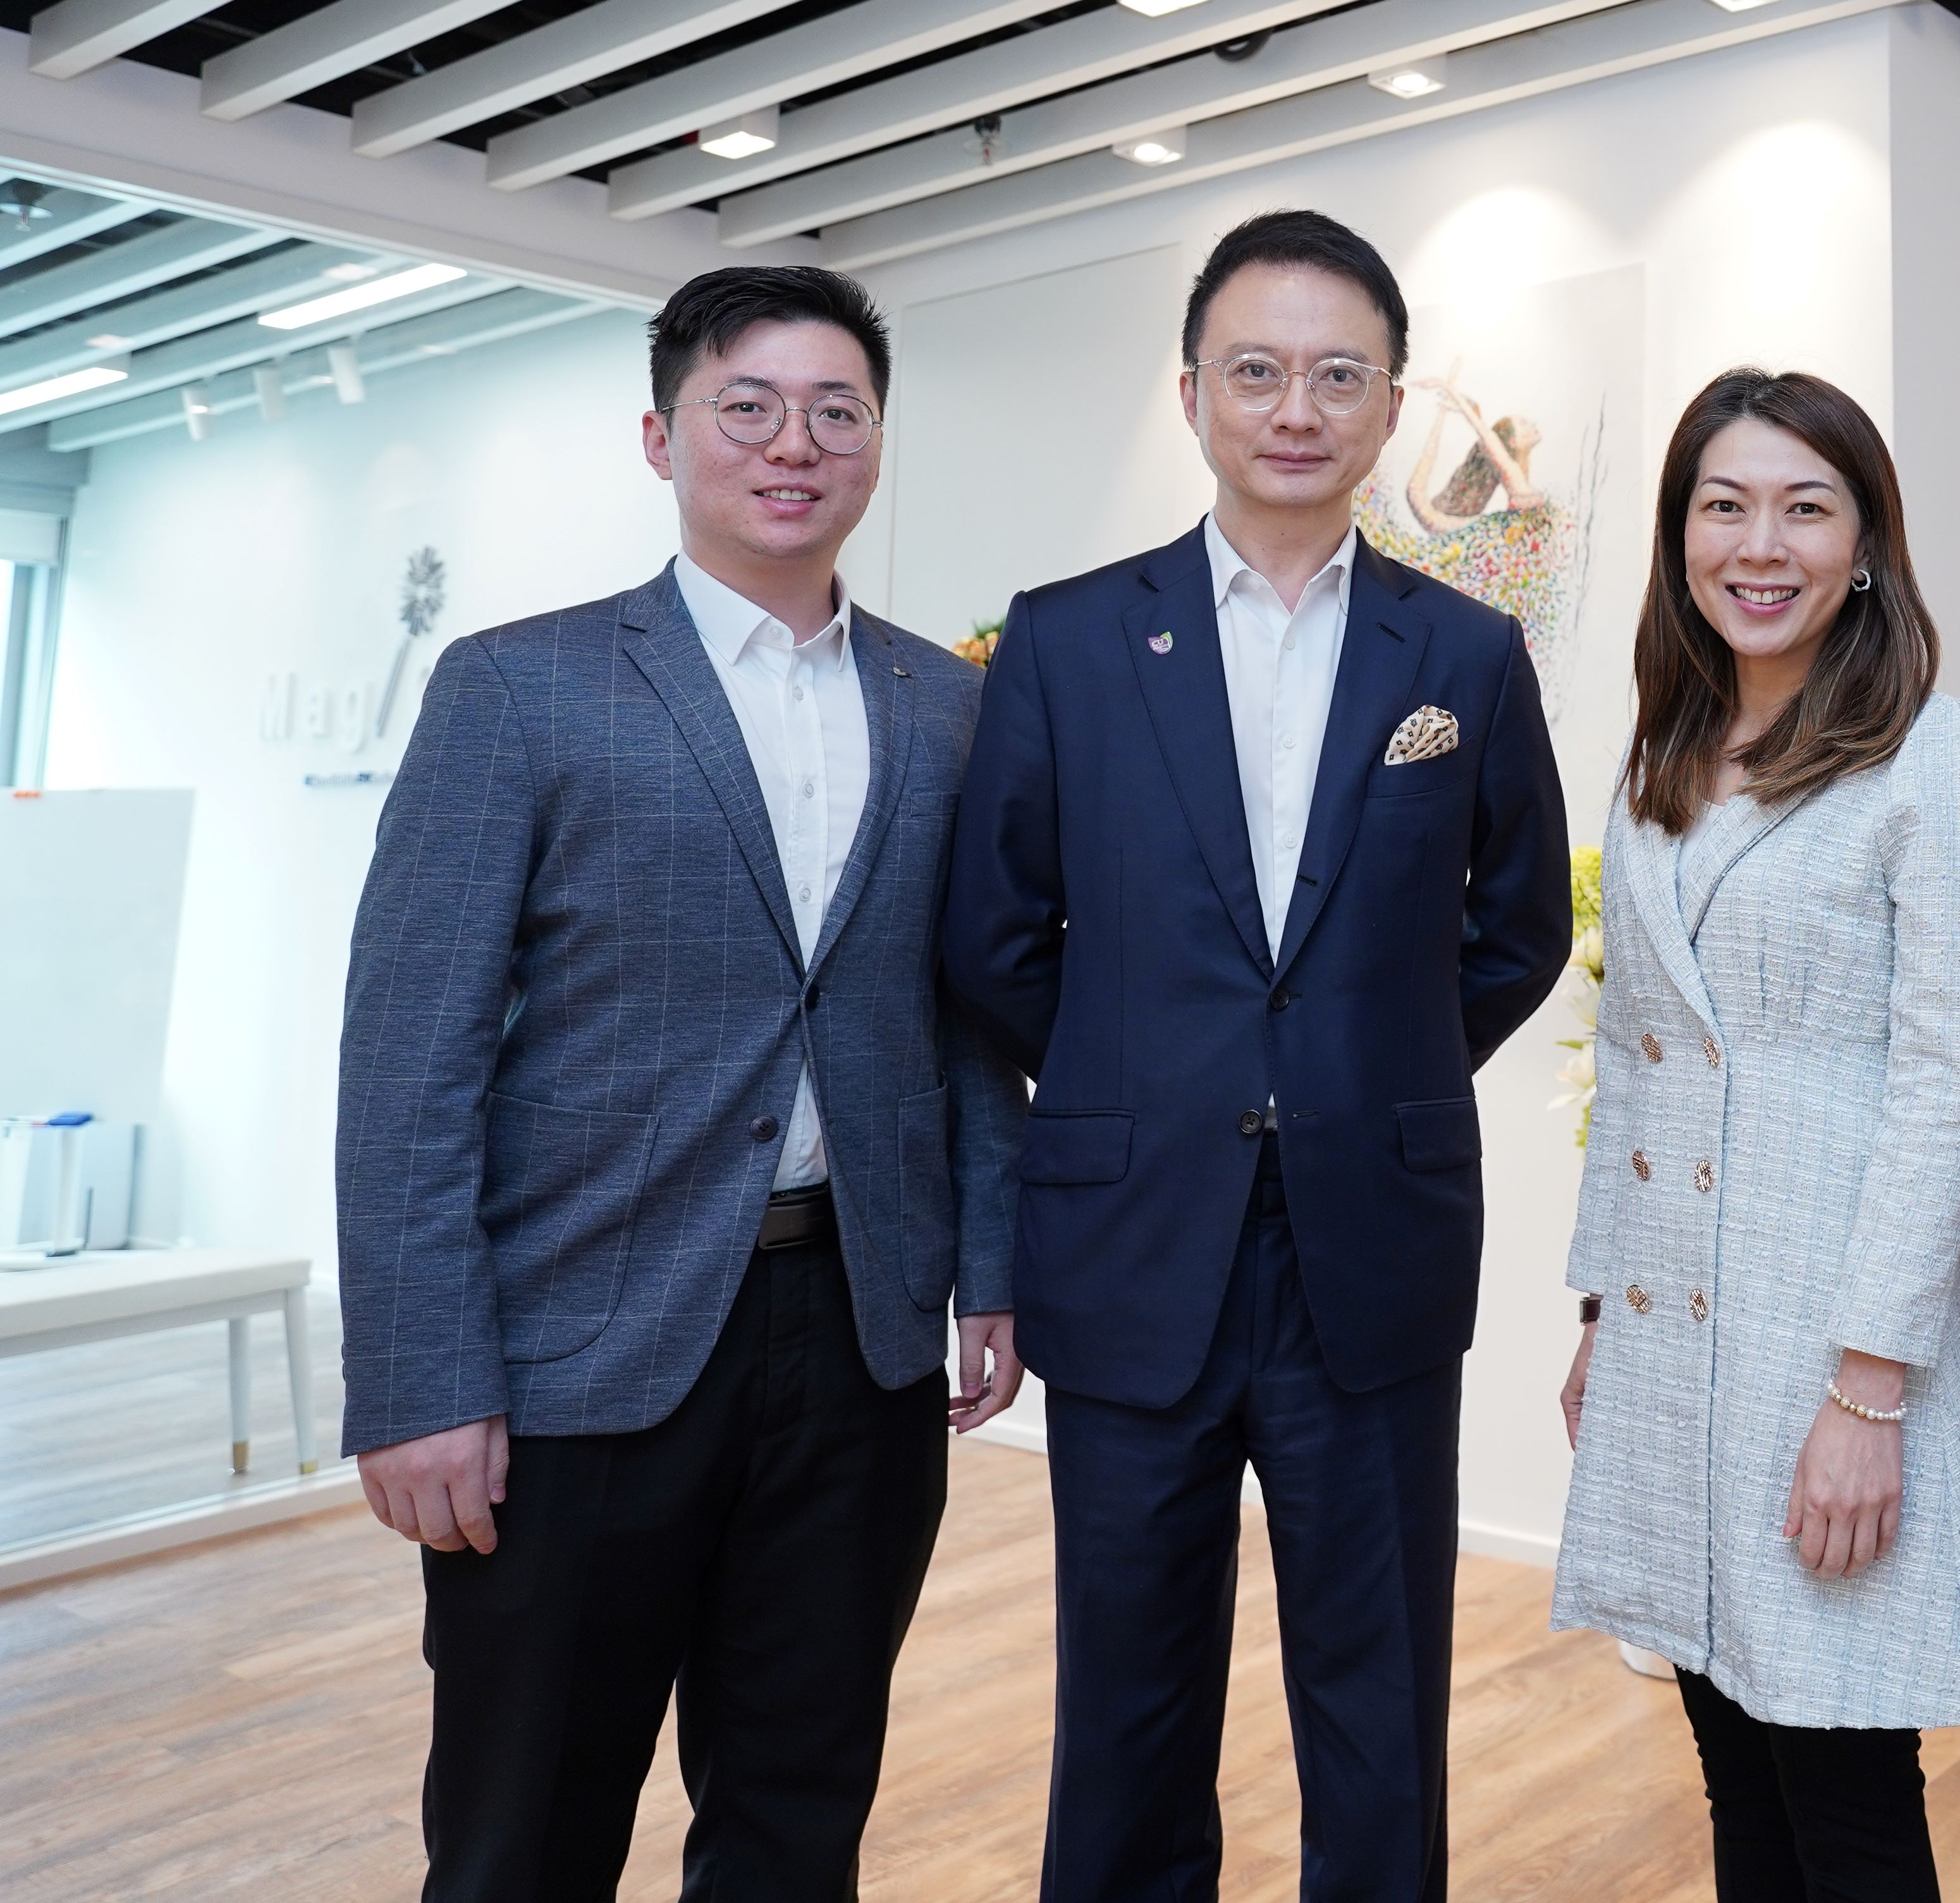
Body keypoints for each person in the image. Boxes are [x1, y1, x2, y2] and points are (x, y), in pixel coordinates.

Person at [334, 264, 1026, 1900]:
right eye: (749, 404)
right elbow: (405, 1058)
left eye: (836, 411)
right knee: (523, 1833)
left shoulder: (946, 706)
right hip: (577, 1350)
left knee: (797, 1815)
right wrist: (421, 1376)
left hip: (854, 1349)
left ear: (873, 447)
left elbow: (968, 1019)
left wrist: (990, 1269)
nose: (795, 443)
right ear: (663, 435)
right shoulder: (521, 687)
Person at [941, 209, 1573, 1902]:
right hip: (1134, 1234)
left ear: (1386, 410)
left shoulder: (1463, 654)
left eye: (1338, 376)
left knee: (1378, 1696)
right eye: (1258, 372)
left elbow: (1514, 925)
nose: (1296, 408)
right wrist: (1139, 1078)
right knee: (1127, 1694)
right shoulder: (1069, 640)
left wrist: (1362, 1068)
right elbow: (993, 937)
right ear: (1194, 394)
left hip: (1365, 1242)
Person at [1551, 369, 1960, 1903]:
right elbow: (1634, 1061)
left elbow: (1945, 1079)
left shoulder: (1924, 752)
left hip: (1824, 1345)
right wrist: (1599, 1306)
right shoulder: (1664, 756)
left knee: (1846, 1790)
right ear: (1681, 536)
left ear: (1866, 543)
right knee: (1731, 1770)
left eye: (1804, 506)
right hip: (1674, 1325)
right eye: (1723, 504)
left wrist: (1868, 1394)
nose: (1761, 543)